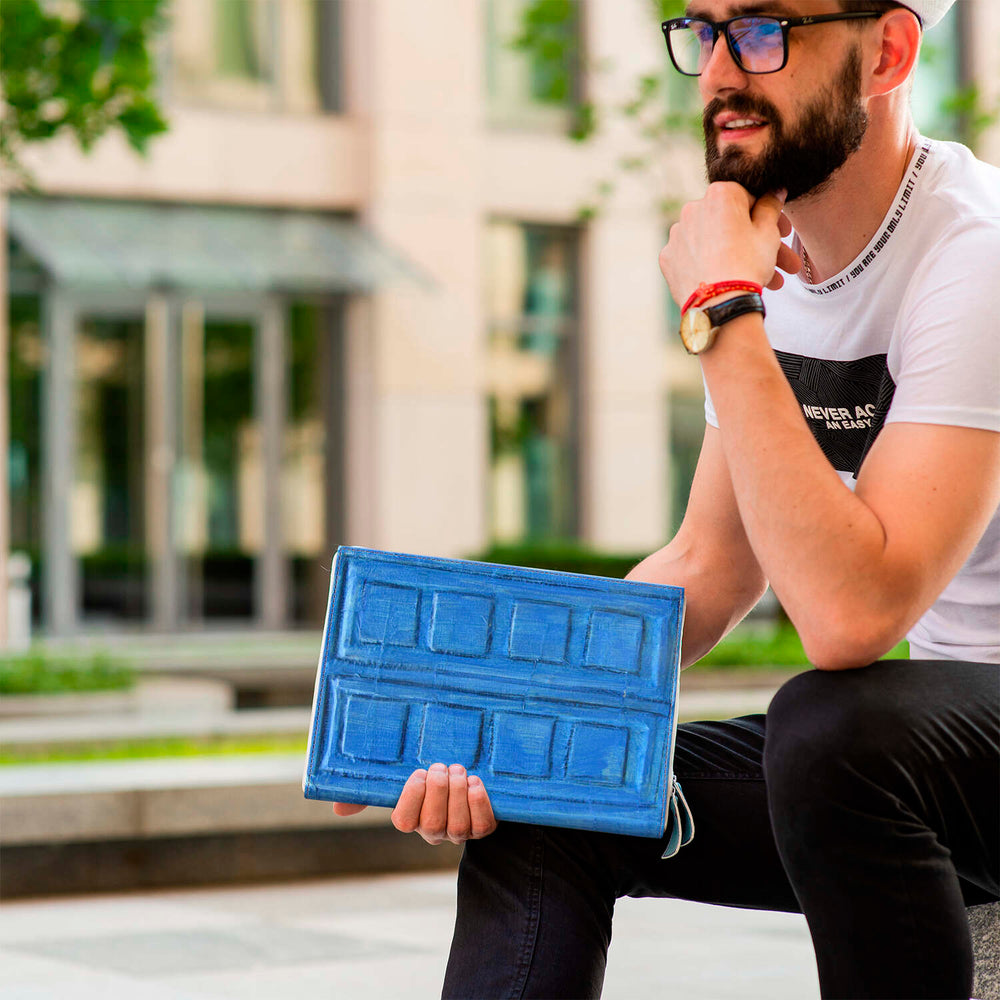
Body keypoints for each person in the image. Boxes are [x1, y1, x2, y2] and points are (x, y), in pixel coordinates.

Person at [334, 1, 1000, 995]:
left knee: (834, 728)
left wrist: (720, 309)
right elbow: (707, 565)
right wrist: (474, 720)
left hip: (943, 749)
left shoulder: (974, 252)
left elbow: (853, 615)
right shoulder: (765, 266)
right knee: (554, 792)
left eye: (764, 31)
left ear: (888, 53)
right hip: (945, 762)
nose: (722, 72)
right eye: (705, 30)